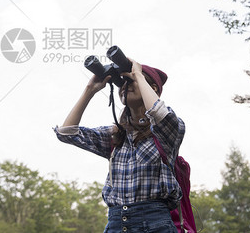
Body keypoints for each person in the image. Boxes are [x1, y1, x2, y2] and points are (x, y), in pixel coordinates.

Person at [54, 58, 185, 233]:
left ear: (153, 89)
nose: (125, 85)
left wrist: (137, 73)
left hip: (155, 223)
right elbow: (67, 133)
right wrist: (89, 90)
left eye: (131, 81)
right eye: (121, 82)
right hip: (116, 223)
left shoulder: (167, 131)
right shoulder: (117, 134)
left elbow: (160, 113)